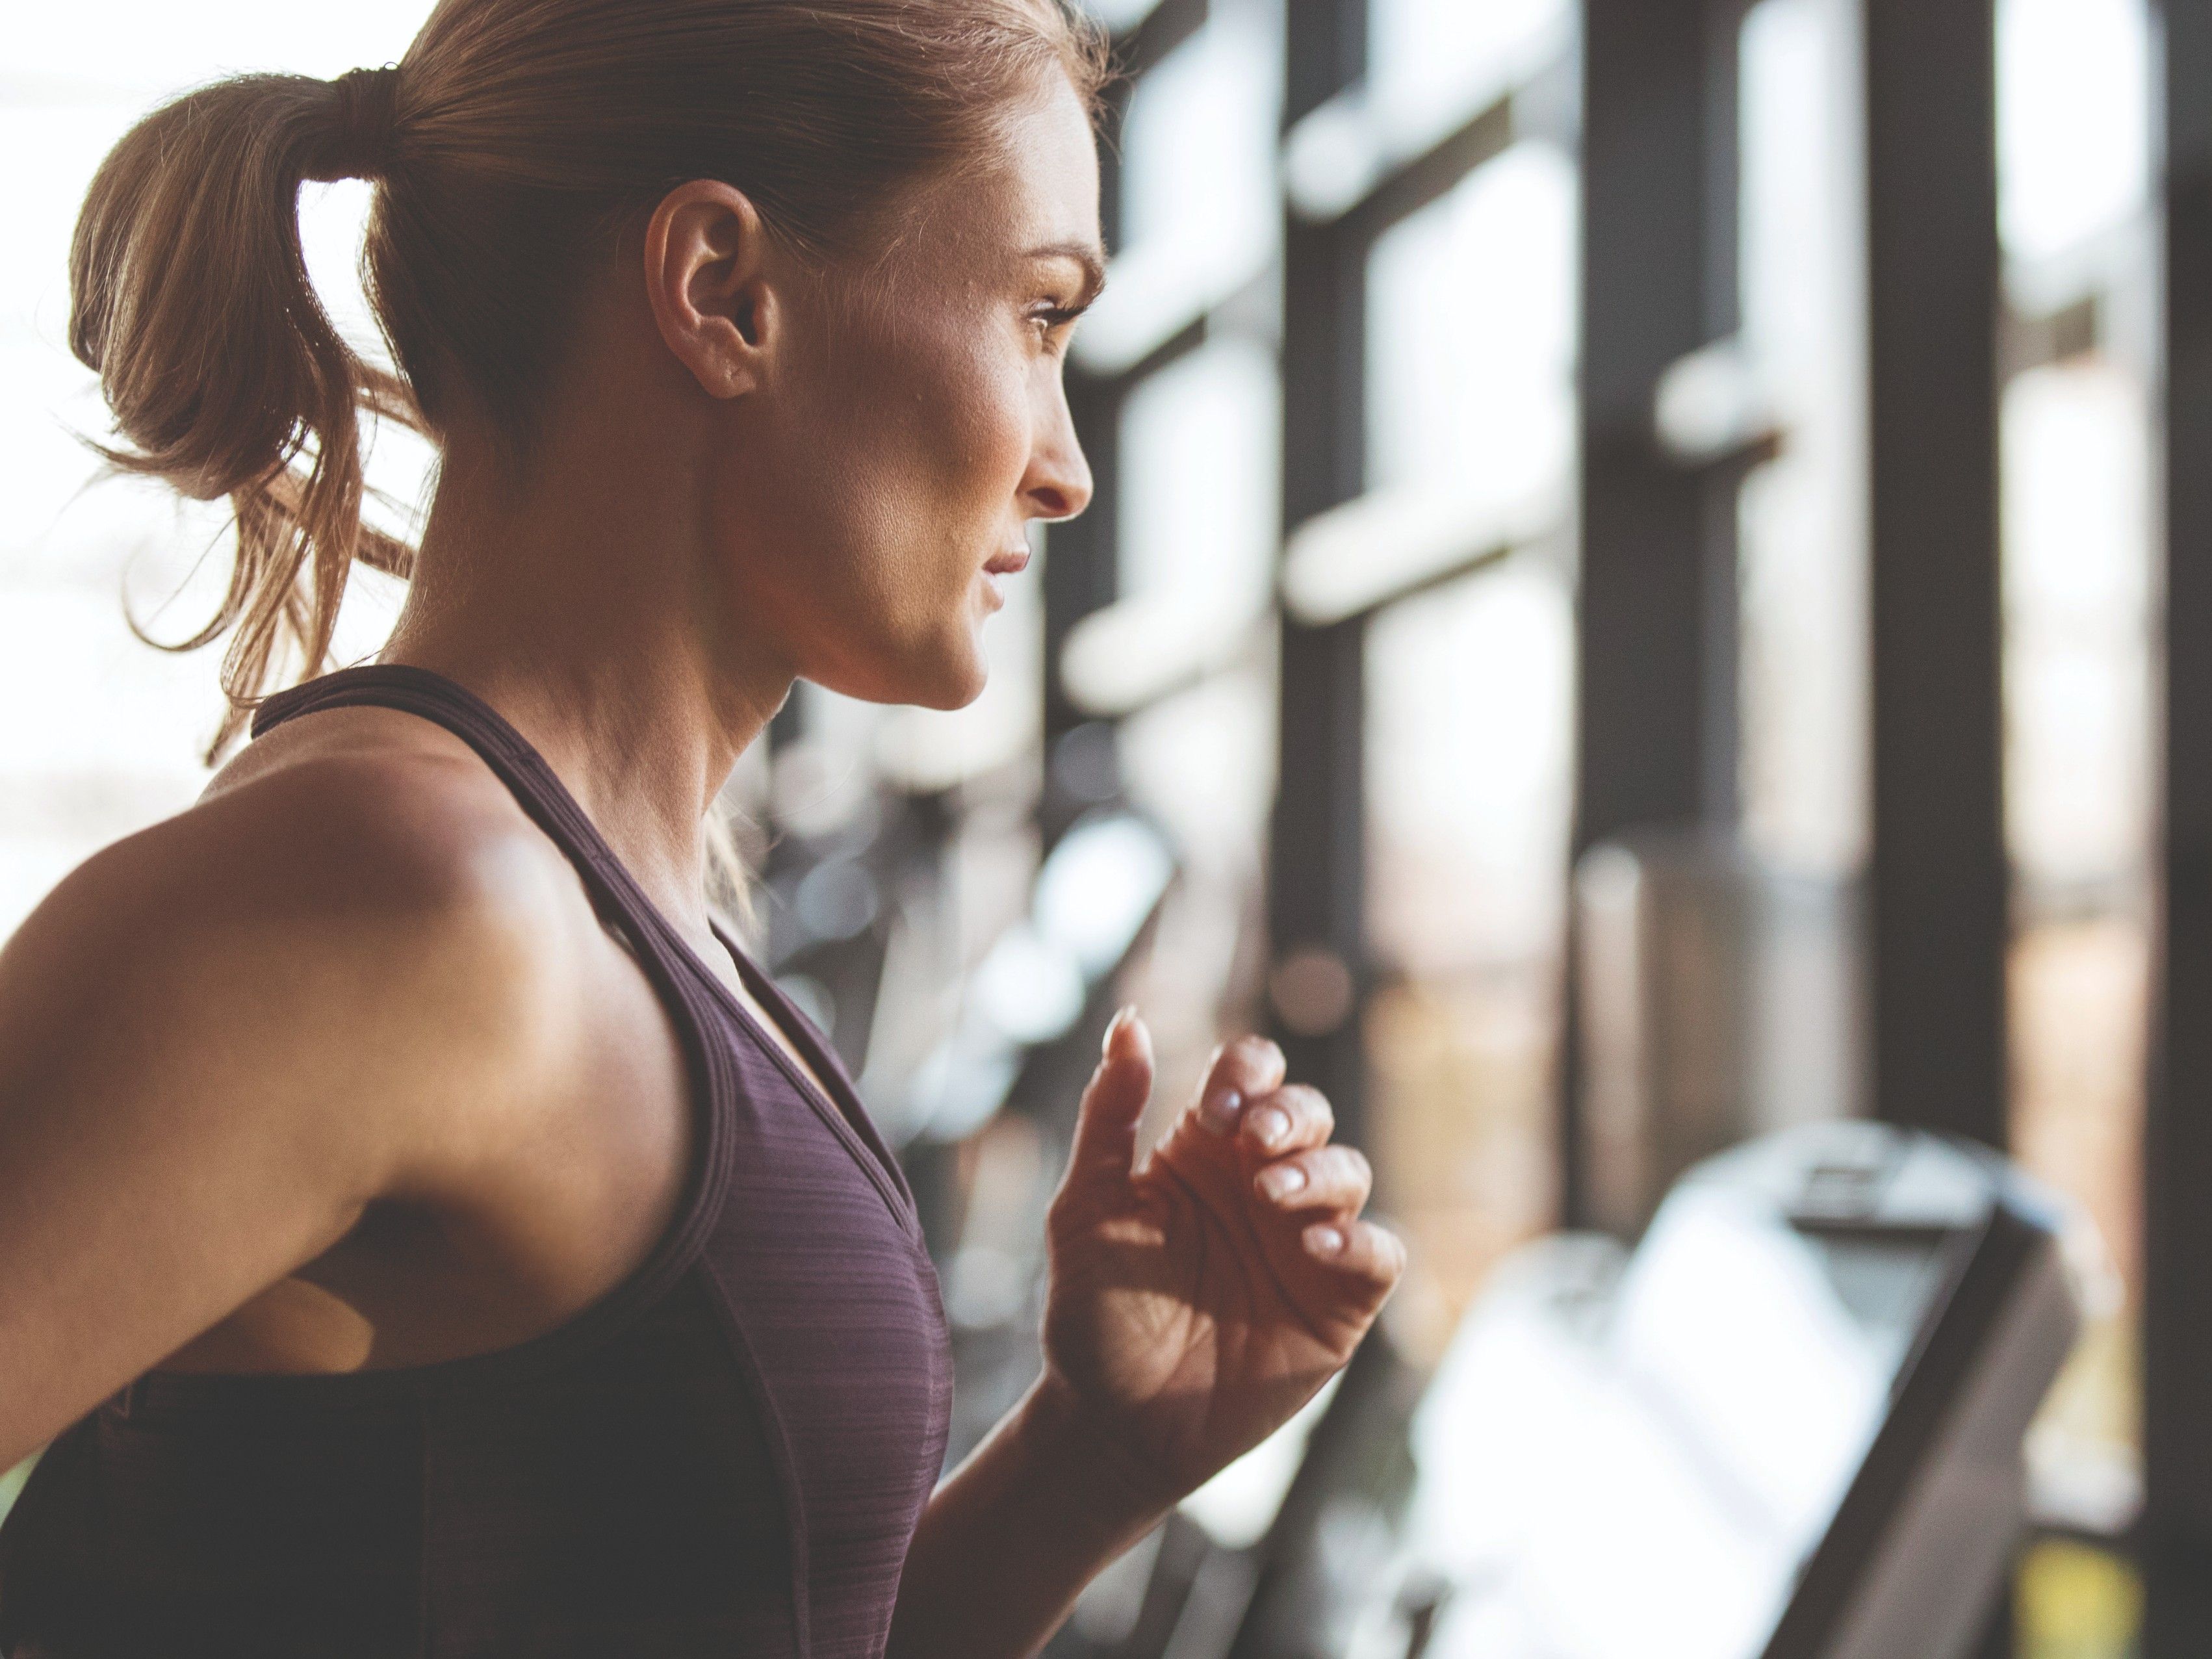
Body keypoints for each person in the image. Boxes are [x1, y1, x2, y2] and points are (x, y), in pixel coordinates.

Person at [0, 1, 1405, 1654]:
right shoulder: (403, 897)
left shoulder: (629, 916)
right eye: (1035, 315)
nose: (1065, 467)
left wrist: (1090, 1460)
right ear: (725, 293)